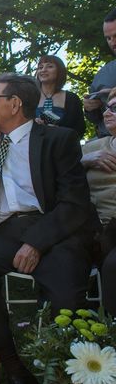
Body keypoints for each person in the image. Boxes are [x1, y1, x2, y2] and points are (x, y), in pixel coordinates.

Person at [0, 73, 93, 384]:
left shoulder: (58, 139)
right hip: (7, 230)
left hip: (55, 226)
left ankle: (70, 370)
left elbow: (75, 203)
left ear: (14, 104)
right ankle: (12, 366)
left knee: (66, 290)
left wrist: (36, 243)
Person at [81, 87, 116, 314]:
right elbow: (56, 179)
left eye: (114, 108)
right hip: (94, 226)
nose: (106, 113)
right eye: (106, 108)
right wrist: (85, 161)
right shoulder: (91, 147)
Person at [33, 55, 85, 138]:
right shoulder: (30, 97)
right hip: (32, 147)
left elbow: (80, 130)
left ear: (59, 71)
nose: (43, 70)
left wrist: (59, 131)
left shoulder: (72, 99)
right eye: (40, 67)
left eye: (49, 66)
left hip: (62, 147)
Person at [84, 8, 116, 138]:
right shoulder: (103, 74)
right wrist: (89, 108)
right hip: (107, 144)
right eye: (108, 38)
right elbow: (96, 119)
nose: (113, 42)